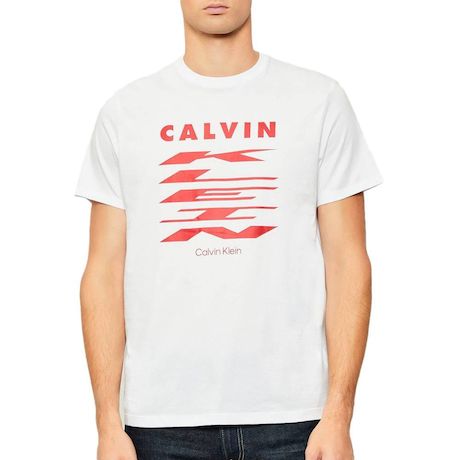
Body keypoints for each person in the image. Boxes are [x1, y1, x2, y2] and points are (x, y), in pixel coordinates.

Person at [75, 1, 383, 459]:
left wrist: (339, 414)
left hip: (295, 420)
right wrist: (106, 423)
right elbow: (103, 270)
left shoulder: (318, 100)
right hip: (158, 425)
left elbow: (348, 261)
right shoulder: (126, 112)